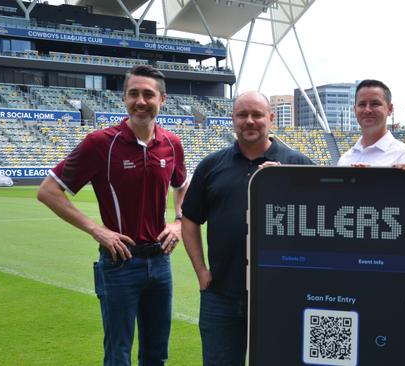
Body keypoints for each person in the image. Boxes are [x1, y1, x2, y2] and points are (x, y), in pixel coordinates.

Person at [37, 65, 188, 366]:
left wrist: (178, 222)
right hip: (120, 263)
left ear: (163, 100)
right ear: (124, 99)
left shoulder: (172, 143)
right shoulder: (101, 144)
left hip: (160, 262)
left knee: (156, 353)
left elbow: (182, 185)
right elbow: (48, 191)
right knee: (118, 354)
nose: (140, 101)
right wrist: (97, 230)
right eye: (134, 94)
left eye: (148, 94)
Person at [181, 91, 314, 366]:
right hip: (221, 294)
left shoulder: (297, 164)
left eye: (257, 115)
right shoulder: (211, 165)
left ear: (271, 118)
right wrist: (201, 271)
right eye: (242, 115)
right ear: (233, 119)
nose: (250, 121)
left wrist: (285, 184)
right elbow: (190, 219)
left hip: (279, 296)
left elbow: (318, 225)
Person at [337, 79, 405, 172]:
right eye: (362, 104)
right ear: (355, 110)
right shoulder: (345, 161)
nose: (367, 110)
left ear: (390, 109)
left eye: (375, 104)